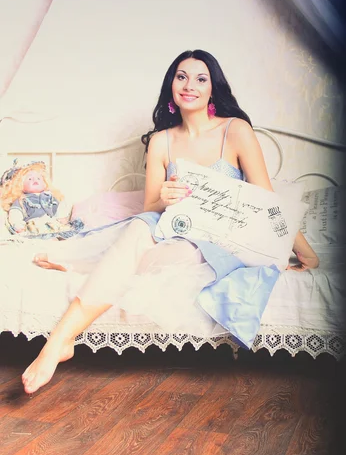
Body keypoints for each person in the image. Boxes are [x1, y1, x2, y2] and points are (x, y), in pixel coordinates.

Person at [22, 49, 319, 394]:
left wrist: (304, 252)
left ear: (213, 89)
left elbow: (268, 201)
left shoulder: (235, 131)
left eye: (200, 78)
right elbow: (149, 206)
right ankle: (59, 342)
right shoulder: (161, 141)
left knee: (165, 259)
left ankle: (88, 270)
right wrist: (166, 197)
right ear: (171, 86)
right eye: (181, 76)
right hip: (168, 228)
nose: (189, 85)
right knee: (136, 229)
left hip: (214, 239)